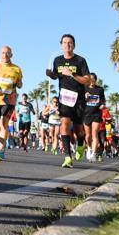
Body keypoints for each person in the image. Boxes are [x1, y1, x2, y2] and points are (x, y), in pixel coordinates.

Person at [46, 34, 90, 168]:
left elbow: (87, 80)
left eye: (70, 43)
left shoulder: (80, 60)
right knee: (64, 125)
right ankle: (67, 157)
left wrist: (73, 74)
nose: (67, 45)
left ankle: (81, 144)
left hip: (79, 99)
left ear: (74, 45)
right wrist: (50, 74)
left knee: (78, 130)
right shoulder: (57, 60)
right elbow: (56, 75)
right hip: (64, 98)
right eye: (65, 43)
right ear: (61, 45)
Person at [0, 45, 23, 161]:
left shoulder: (16, 69)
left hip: (9, 100)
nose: (5, 55)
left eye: (7, 53)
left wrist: (18, 83)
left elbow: (20, 84)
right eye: (3, 53)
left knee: (4, 123)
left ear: (11, 55)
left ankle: (1, 151)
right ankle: (0, 141)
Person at [82, 74, 106, 161]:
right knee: (88, 135)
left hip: (96, 114)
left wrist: (103, 105)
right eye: (90, 80)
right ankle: (89, 147)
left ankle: (94, 154)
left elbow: (103, 100)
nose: (92, 82)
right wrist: (84, 97)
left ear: (95, 80)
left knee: (94, 134)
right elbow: (79, 101)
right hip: (86, 114)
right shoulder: (84, 88)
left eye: (93, 80)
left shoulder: (100, 89)